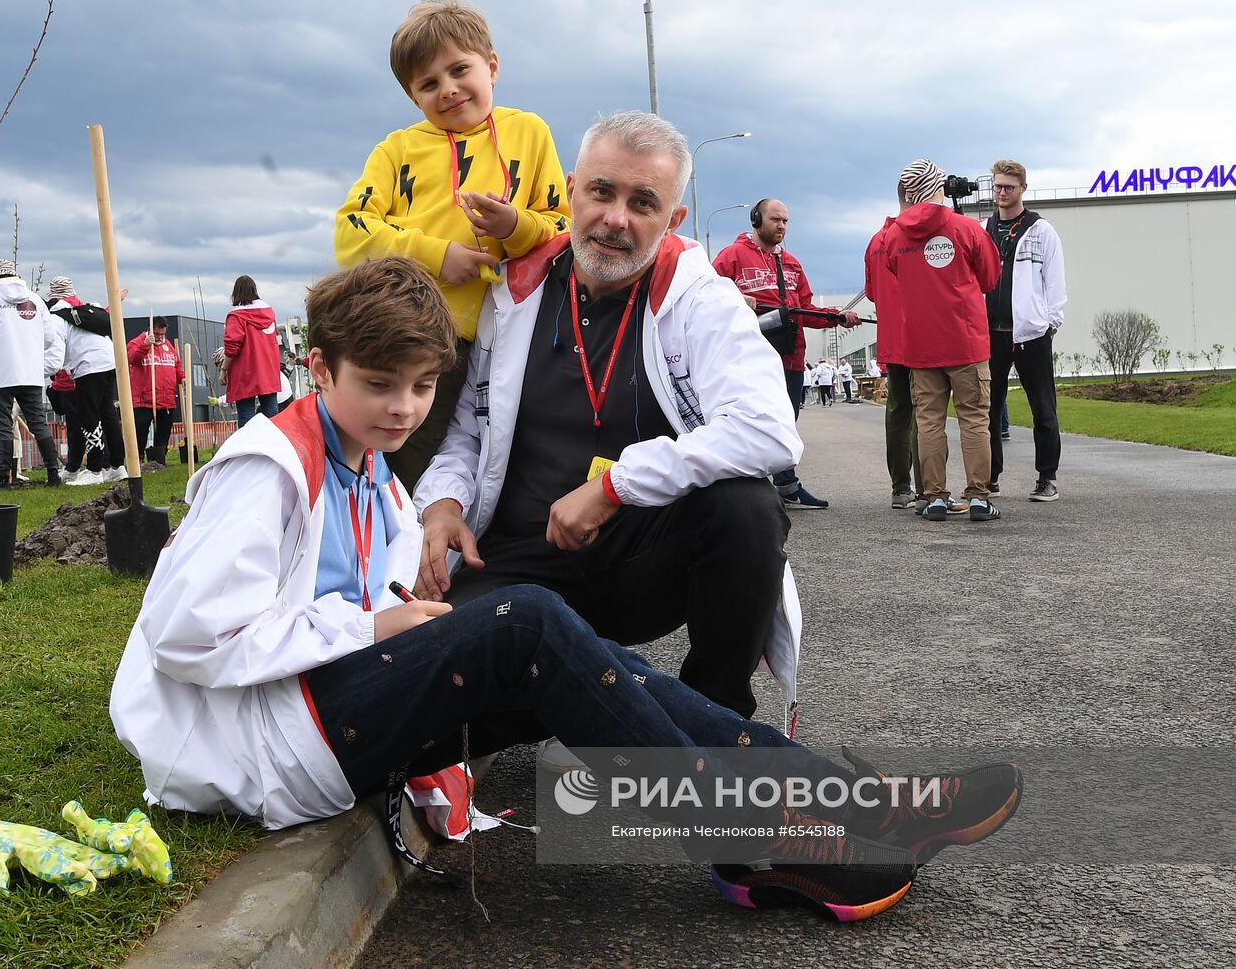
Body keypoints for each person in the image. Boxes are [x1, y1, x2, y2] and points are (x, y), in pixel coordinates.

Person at [110, 255, 1022, 922]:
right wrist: (373, 623)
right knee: (530, 623)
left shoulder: (367, 461)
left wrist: (402, 592)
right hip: (268, 741)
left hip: (321, 704)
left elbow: (366, 579)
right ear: (319, 368)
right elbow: (188, 636)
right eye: (379, 385)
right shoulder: (265, 465)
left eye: (424, 388)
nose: (402, 409)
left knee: (586, 658)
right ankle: (757, 840)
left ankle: (848, 803)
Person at [415, 112, 800, 720]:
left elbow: (768, 430)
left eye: (642, 201)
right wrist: (442, 506)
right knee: (435, 675)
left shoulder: (699, 297)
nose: (615, 219)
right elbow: (468, 430)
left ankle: (717, 716)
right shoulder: (513, 294)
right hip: (518, 554)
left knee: (746, 507)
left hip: (637, 558)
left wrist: (615, 484)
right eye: (601, 191)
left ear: (673, 219)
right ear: (572, 190)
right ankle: (614, 694)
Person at [334, 0, 571, 492]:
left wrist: (514, 227)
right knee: (395, 462)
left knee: (483, 459)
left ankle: (448, 555)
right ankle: (382, 551)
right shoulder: (397, 150)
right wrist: (440, 256)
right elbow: (350, 233)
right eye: (428, 83)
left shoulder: (529, 132)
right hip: (404, 337)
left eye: (459, 69)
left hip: (500, 342)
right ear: (412, 95)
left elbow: (560, 230)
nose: (448, 89)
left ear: (492, 66)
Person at [712, 199, 861, 510]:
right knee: (750, 423)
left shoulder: (792, 263)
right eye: (775, 219)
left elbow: (806, 310)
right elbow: (707, 297)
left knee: (784, 424)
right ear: (756, 219)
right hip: (748, 361)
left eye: (786, 221)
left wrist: (837, 316)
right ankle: (745, 490)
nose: (781, 226)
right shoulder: (731, 257)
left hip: (790, 359)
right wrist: (736, 298)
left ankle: (785, 486)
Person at [884, 159, 1002, 523]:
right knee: (974, 419)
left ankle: (934, 496)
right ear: (938, 187)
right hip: (965, 341)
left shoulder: (892, 236)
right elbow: (990, 278)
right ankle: (979, 496)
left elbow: (894, 272)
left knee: (929, 421)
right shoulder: (967, 229)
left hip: (921, 344)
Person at [984, 160, 1067, 502]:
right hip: (991, 333)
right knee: (988, 408)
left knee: (1043, 408)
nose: (1002, 193)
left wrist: (1049, 322)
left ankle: (1047, 477)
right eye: (998, 187)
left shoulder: (1041, 230)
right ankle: (989, 477)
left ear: (1023, 189)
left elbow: (1055, 281)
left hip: (1031, 334)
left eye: (1009, 187)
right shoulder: (983, 230)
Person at [0, 259, 64, 488]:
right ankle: (53, 473)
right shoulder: (35, 300)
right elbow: (51, 337)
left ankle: (3, 478)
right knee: (38, 423)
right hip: (30, 373)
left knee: (2, 426)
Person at [864, 182, 922, 509]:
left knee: (899, 412)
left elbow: (872, 293)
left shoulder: (876, 241)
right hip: (923, 338)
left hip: (893, 341)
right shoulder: (917, 238)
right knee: (926, 412)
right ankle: (931, 488)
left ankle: (901, 487)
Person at [48, 276, 127, 485]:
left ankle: (94, 470)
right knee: (108, 413)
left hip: (88, 366)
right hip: (109, 361)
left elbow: (56, 351)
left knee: (89, 416)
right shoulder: (88, 309)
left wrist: (43, 369)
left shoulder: (57, 316)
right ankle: (118, 467)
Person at [221, 275, 281, 428]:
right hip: (268, 371)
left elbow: (232, 346)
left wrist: (224, 369)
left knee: (246, 418)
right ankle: (274, 449)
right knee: (272, 417)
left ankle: (248, 450)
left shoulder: (237, 316)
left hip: (245, 372)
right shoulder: (269, 313)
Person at [126, 316, 185, 465]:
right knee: (140, 431)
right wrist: (145, 345)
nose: (159, 337)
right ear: (149, 329)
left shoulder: (169, 346)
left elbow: (176, 364)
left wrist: (181, 377)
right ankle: (137, 459)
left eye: (162, 334)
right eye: (157, 334)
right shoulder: (137, 342)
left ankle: (159, 459)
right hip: (143, 399)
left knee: (164, 431)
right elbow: (132, 359)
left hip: (166, 399)